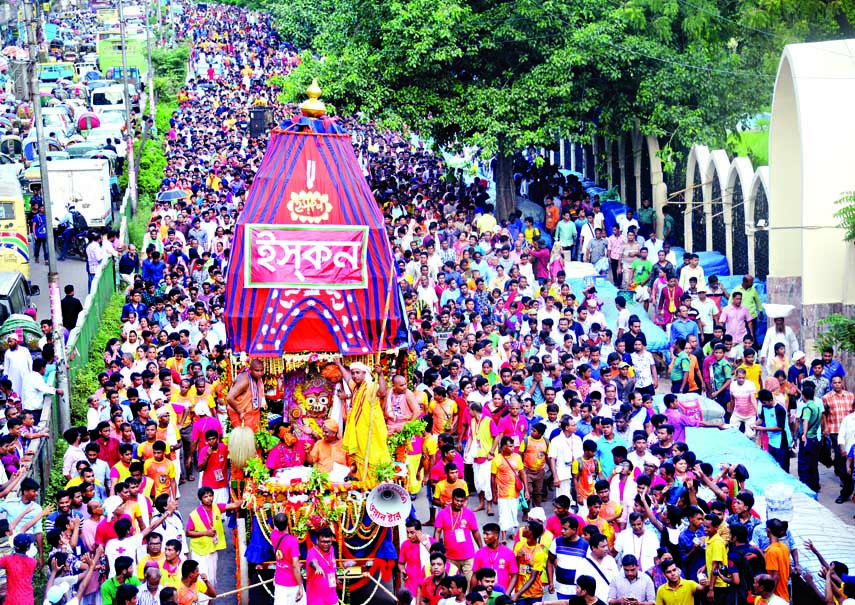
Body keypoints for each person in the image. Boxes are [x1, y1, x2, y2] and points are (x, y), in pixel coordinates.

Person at [338, 360, 392, 479]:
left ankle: (372, 482)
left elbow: (382, 392)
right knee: (361, 458)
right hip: (359, 431)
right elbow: (347, 379)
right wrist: (339, 365)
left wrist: (381, 375)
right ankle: (362, 481)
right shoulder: (357, 387)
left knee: (373, 456)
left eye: (357, 373)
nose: (354, 375)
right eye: (353, 373)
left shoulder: (370, 386)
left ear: (364, 373)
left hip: (371, 431)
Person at [185, 486, 244, 587]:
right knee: (201, 577)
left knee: (211, 577)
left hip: (212, 548)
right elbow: (188, 533)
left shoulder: (217, 507)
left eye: (210, 496)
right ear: (201, 500)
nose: (209, 498)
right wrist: (205, 533)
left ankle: (209, 599)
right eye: (205, 497)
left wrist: (248, 498)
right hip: (200, 550)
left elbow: (233, 505)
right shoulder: (194, 514)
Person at [435, 488, 482, 583]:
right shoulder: (442, 513)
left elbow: (475, 532)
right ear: (452, 499)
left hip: (468, 556)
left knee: (470, 583)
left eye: (461, 501)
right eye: (457, 500)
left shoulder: (469, 513)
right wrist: (437, 550)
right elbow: (437, 531)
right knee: (452, 585)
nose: (459, 503)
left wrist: (481, 548)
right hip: (450, 557)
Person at [547, 515, 589, 599]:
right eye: (562, 528)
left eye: (565, 529)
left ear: (574, 530)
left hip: (578, 591)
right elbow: (550, 561)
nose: (562, 531)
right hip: (561, 588)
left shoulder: (585, 545)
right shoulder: (556, 542)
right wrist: (551, 582)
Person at [226, 358, 266, 432]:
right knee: (245, 441)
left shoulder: (257, 378)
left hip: (253, 416)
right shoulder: (244, 380)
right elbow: (229, 397)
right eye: (257, 370)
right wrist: (240, 411)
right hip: (243, 416)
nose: (260, 373)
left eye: (261, 370)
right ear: (250, 370)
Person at [306, 528, 338, 605]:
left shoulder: (332, 549)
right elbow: (313, 561)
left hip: (332, 599)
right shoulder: (312, 552)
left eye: (328, 542)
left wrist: (336, 578)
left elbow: (331, 567)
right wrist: (317, 567)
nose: (326, 544)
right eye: (323, 542)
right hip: (317, 601)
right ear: (317, 541)